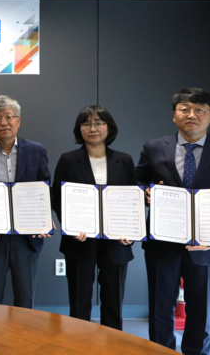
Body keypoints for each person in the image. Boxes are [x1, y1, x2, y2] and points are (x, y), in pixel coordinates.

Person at [137, 88, 210, 355]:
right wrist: (144, 192)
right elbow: (138, 180)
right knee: (160, 310)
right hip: (162, 242)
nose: (191, 115)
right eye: (184, 109)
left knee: (201, 313)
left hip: (208, 245)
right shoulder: (154, 146)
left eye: (199, 110)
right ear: (174, 115)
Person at [51, 106, 136, 329]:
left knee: (113, 301)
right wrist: (69, 227)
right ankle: (80, 344)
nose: (93, 128)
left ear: (109, 127)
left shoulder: (124, 160)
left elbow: (133, 200)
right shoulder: (68, 160)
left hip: (116, 242)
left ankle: (113, 344)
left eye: (99, 123)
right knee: (79, 301)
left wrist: (131, 233)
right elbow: (57, 198)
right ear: (79, 129)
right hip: (80, 240)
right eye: (86, 123)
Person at [0, 95, 51, 309]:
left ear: (18, 120)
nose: (3, 122)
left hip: (27, 237)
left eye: (9, 117)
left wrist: (46, 217)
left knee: (25, 300)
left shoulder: (36, 150)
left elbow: (45, 187)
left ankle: (22, 333)